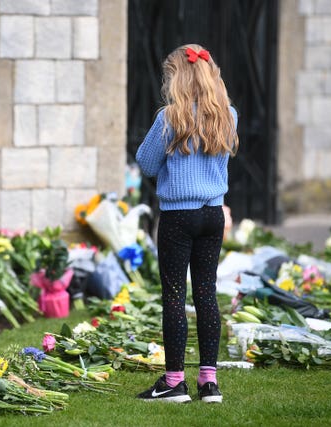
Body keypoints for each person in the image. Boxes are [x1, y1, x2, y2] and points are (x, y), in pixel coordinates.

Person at [135, 44, 239, 403]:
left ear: (176, 78)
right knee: (207, 294)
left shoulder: (169, 118)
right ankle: (209, 383)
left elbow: (146, 164)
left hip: (178, 217)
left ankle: (174, 381)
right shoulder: (228, 115)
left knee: (176, 296)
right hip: (213, 214)